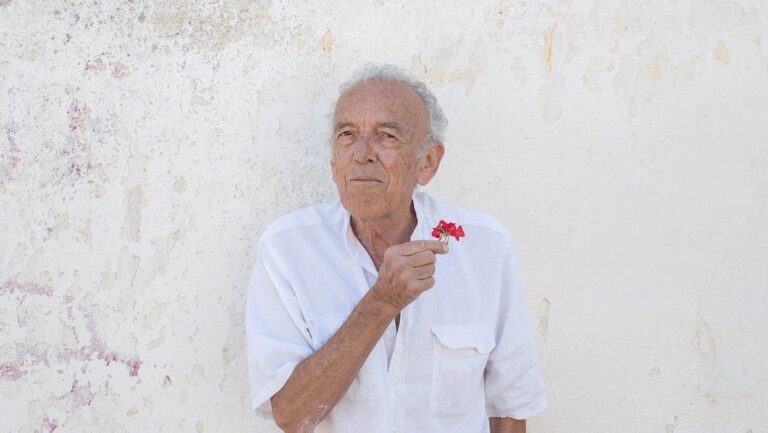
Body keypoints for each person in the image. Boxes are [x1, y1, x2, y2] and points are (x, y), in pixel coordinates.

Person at [245, 64, 548, 433]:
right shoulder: (287, 250)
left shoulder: (486, 247)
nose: (362, 154)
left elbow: (510, 406)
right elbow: (292, 415)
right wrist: (381, 302)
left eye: (386, 136)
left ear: (428, 162)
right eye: (347, 135)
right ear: (333, 160)